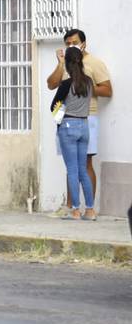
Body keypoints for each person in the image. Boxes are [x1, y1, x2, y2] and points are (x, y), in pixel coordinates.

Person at [46, 29, 112, 209]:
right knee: (71, 164)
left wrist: (80, 86)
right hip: (67, 118)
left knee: (85, 163)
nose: (70, 46)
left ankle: (88, 208)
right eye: (67, 43)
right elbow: (51, 84)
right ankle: (71, 206)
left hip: (87, 117)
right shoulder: (66, 65)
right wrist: (61, 65)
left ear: (84, 43)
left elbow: (107, 90)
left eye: (73, 42)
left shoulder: (94, 63)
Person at [51, 48, 95, 220]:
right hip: (84, 125)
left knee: (72, 170)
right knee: (83, 169)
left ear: (68, 64)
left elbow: (54, 106)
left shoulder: (66, 84)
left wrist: (60, 118)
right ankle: (90, 210)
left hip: (68, 125)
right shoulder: (89, 82)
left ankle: (76, 210)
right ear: (81, 61)